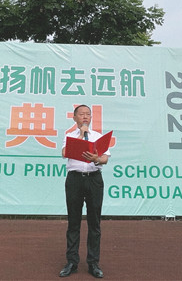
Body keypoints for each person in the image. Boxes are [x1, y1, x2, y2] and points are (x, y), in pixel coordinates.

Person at [59, 104, 110, 279]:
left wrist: (97, 158)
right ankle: (72, 262)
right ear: (75, 118)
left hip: (94, 179)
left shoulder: (98, 136)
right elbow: (65, 153)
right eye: (81, 114)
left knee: (94, 223)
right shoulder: (69, 136)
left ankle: (93, 263)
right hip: (75, 179)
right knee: (73, 222)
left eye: (88, 114)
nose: (85, 117)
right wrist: (81, 136)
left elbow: (105, 158)